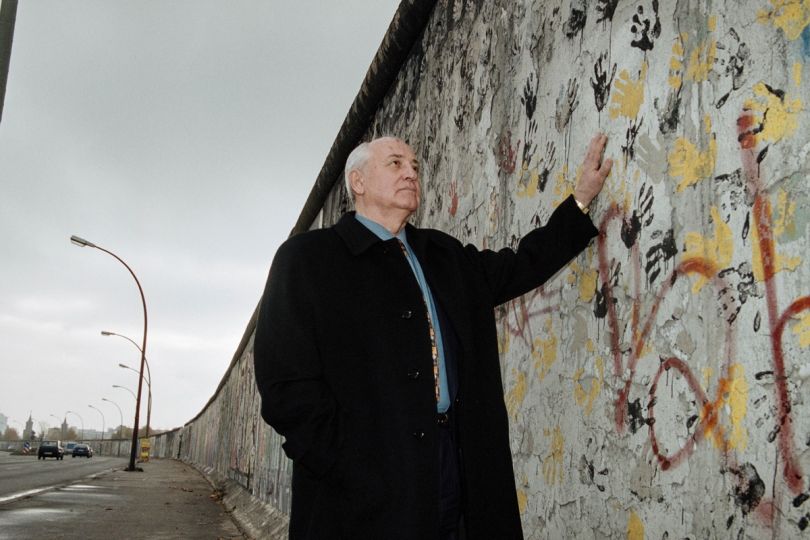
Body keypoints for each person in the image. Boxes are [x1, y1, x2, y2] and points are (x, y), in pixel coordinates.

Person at [254, 134, 612, 539]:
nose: (410, 172)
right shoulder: (308, 260)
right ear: (358, 182)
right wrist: (346, 463)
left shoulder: (441, 254)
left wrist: (580, 201)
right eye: (395, 163)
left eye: (415, 166)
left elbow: (518, 268)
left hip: (453, 463)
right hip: (361, 482)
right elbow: (285, 384)